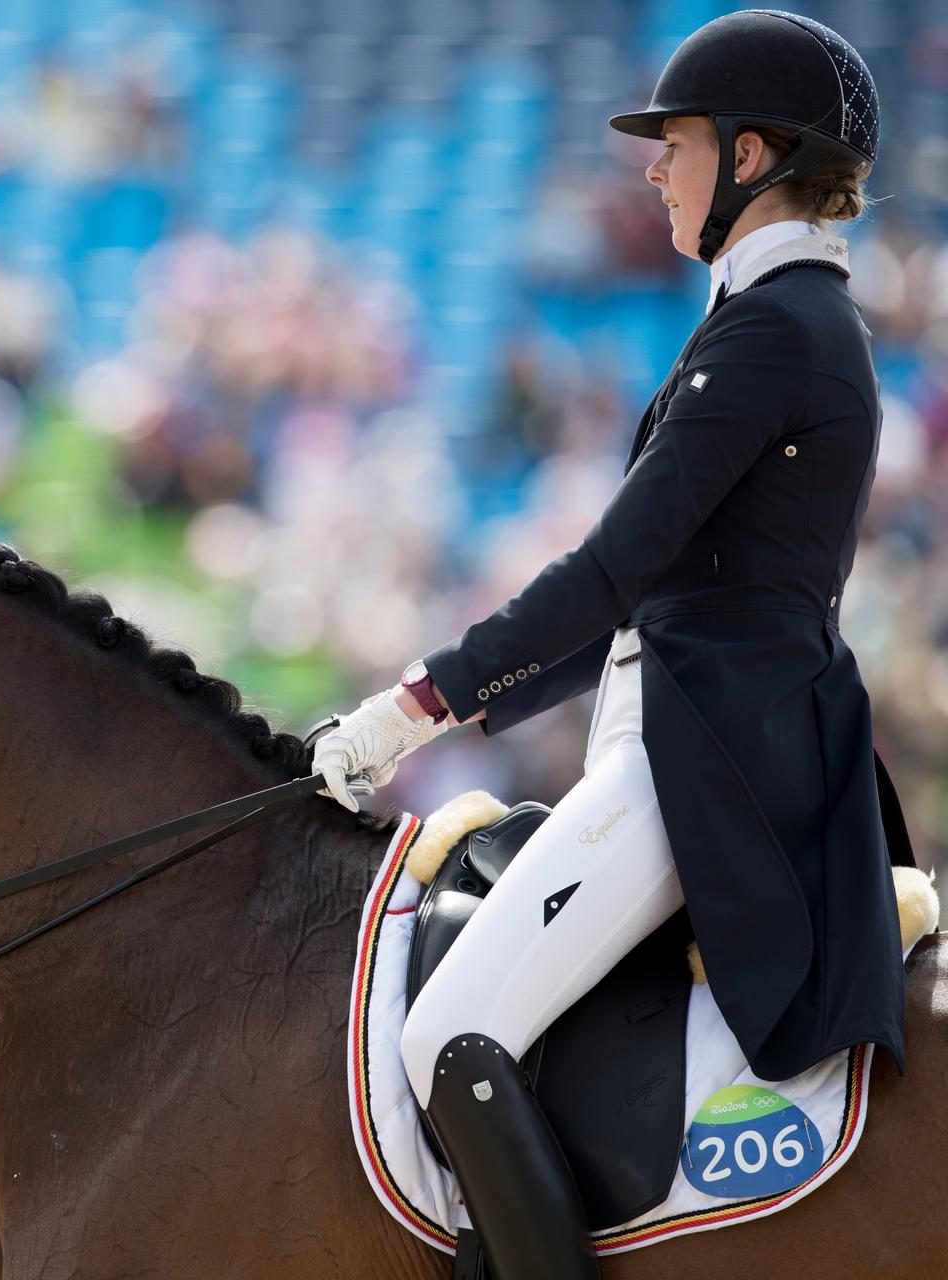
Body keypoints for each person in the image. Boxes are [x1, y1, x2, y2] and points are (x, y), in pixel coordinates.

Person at [310, 11, 912, 1278]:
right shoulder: (769, 322)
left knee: (455, 1034)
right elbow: (658, 602)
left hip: (715, 767)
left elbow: (610, 570)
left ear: (753, 154)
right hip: (690, 734)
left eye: (677, 144)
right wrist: (476, 706)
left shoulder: (778, 327)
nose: (654, 168)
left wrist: (412, 703)